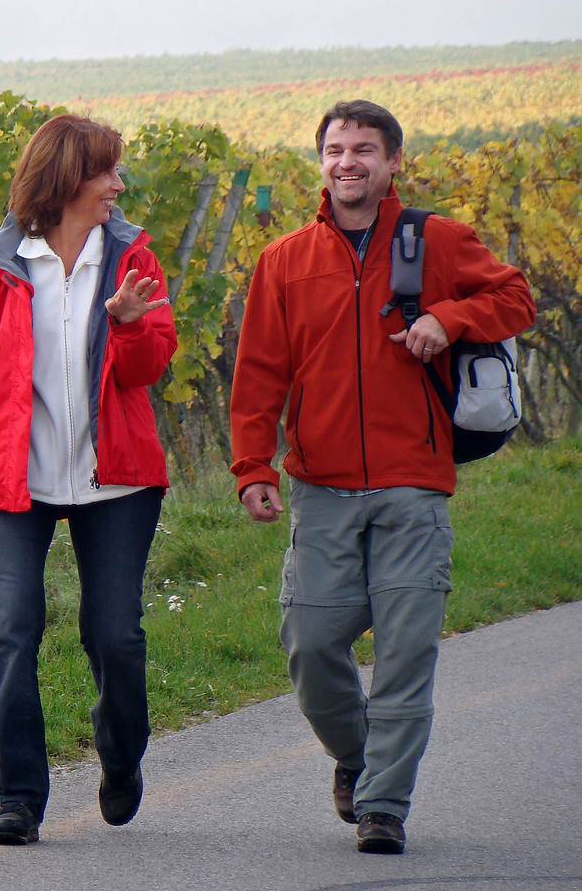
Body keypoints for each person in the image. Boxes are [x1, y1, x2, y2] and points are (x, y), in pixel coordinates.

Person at [230, 100, 535, 855]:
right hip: (321, 485)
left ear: (393, 161)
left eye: (364, 149)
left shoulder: (438, 241)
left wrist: (449, 318)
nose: (349, 162)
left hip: (413, 484)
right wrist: (251, 467)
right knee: (310, 642)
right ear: (321, 162)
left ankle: (383, 807)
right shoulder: (285, 260)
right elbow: (260, 373)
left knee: (405, 654)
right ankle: (358, 756)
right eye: (336, 150)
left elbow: (515, 297)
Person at [0, 113, 177, 845]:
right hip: (14, 481)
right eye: (106, 171)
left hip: (116, 480)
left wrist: (128, 325)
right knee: (10, 630)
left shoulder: (134, 260)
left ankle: (121, 754)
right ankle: (17, 797)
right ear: (66, 179)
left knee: (114, 635)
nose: (118, 184)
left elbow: (151, 368)